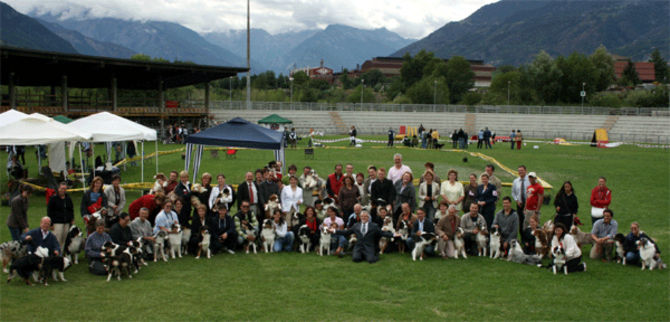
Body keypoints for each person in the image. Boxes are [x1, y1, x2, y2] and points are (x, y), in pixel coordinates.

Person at [48, 182, 75, 249]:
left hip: (67, 222)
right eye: (62, 188)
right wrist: (51, 223)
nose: (63, 190)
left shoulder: (68, 198)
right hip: (57, 222)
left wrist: (72, 218)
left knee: (64, 240)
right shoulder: (53, 199)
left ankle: (61, 255)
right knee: (57, 240)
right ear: (58, 189)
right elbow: (50, 211)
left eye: (65, 189)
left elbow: (71, 209)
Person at [511, 165, 531, 232]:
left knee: (528, 220)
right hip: (520, 203)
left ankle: (528, 236)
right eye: (519, 171)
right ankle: (522, 236)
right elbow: (513, 193)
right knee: (520, 220)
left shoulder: (530, 180)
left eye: (522, 170)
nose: (520, 172)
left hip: (528, 203)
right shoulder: (516, 181)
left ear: (525, 171)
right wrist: (517, 200)